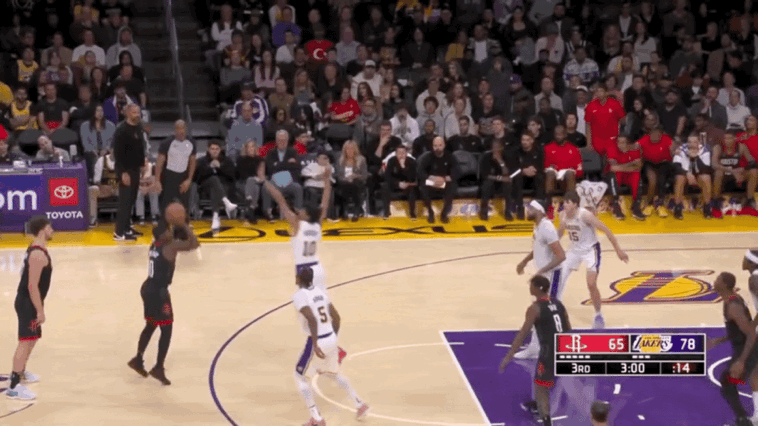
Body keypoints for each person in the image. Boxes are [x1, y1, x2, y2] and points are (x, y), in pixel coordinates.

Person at [127, 208, 200, 386]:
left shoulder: (155, 245)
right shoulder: (170, 246)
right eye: (168, 230)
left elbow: (173, 238)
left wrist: (175, 225)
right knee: (166, 329)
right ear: (163, 235)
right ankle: (158, 367)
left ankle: (138, 359)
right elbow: (194, 243)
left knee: (151, 324)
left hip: (147, 288)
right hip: (159, 292)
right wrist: (183, 224)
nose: (170, 231)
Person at [291, 266, 369, 425]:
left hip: (316, 340)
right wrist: (332, 341)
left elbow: (311, 319)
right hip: (331, 337)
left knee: (299, 376)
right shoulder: (320, 293)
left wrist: (315, 344)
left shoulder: (299, 295)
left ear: (299, 279)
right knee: (333, 373)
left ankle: (316, 418)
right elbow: (337, 318)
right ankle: (359, 404)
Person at [499, 275, 570, 426]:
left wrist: (508, 356)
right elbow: (568, 327)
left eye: (531, 285)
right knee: (545, 381)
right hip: (565, 348)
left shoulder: (535, 309)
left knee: (541, 387)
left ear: (538, 288)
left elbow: (522, 334)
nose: (529, 287)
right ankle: (539, 404)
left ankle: (546, 421)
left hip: (549, 352)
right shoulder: (558, 303)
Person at [558, 190, 629, 329]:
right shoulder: (562, 215)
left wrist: (618, 250)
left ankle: (598, 315)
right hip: (574, 250)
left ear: (575, 204)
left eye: (568, 202)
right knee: (559, 278)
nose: (564, 205)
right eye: (564, 202)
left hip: (590, 250)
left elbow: (606, 230)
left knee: (591, 284)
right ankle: (556, 310)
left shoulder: (585, 215)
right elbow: (559, 234)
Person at [5, 216, 54, 401]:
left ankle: (21, 371)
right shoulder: (37, 255)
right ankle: (14, 386)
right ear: (42, 230)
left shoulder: (38, 248)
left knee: (32, 338)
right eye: (49, 227)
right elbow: (32, 285)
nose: (52, 230)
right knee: (25, 341)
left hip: (30, 302)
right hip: (28, 303)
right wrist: (40, 310)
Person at [514, 200, 566, 359]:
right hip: (543, 275)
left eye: (530, 208)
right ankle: (538, 346)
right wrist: (524, 261)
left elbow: (561, 256)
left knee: (544, 311)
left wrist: (542, 271)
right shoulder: (537, 227)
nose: (527, 210)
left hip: (552, 275)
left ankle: (539, 348)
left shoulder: (547, 228)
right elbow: (537, 248)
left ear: (539, 211)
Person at [708, 272, 758, 426]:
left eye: (717, 279)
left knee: (729, 382)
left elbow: (750, 333)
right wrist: (721, 340)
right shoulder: (729, 300)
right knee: (738, 380)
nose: (714, 281)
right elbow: (739, 330)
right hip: (744, 348)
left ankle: (744, 420)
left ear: (724, 285)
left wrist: (741, 361)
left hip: (747, 350)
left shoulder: (733, 306)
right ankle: (746, 419)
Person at [154, 120, 196, 229]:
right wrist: (157, 181)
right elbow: (159, 162)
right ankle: (164, 226)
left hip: (183, 177)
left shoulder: (191, 142)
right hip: (168, 177)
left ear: (186, 129)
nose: (181, 131)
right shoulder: (166, 143)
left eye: (183, 128)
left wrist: (189, 179)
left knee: (185, 202)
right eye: (178, 129)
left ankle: (185, 224)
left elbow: (192, 162)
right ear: (175, 130)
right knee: (165, 203)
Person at [113, 103, 146, 241]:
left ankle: (127, 227)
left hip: (135, 168)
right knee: (125, 201)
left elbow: (140, 147)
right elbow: (118, 152)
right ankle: (119, 232)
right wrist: (122, 172)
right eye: (134, 112)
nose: (137, 115)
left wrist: (142, 164)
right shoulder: (121, 129)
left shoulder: (138, 127)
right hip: (125, 169)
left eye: (138, 112)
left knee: (132, 199)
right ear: (127, 113)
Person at [195, 140, 238, 231]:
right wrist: (211, 168)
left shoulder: (227, 161)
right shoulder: (201, 161)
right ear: (208, 150)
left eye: (217, 149)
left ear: (220, 150)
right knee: (214, 179)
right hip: (205, 187)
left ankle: (215, 216)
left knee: (215, 189)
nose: (214, 151)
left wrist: (220, 167)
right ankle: (226, 202)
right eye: (212, 149)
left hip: (223, 188)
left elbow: (232, 176)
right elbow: (198, 178)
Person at [713, 130, 757, 214]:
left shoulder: (741, 147)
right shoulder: (718, 147)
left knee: (753, 171)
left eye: (729, 138)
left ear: (735, 139)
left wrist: (743, 169)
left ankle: (750, 199)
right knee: (718, 172)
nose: (727, 141)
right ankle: (716, 199)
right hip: (724, 174)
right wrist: (732, 171)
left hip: (737, 175)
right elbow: (714, 164)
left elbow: (752, 162)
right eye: (725, 138)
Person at [418, 136, 458, 224]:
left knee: (453, 185)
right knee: (423, 184)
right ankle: (430, 212)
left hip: (444, 182)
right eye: (435, 146)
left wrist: (445, 178)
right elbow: (420, 171)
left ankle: (444, 213)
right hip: (432, 182)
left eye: (440, 145)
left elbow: (457, 171)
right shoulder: (428, 157)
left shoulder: (450, 156)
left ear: (444, 145)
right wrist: (431, 178)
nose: (437, 148)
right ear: (432, 146)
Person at [606, 134, 646, 221]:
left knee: (637, 176)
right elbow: (613, 168)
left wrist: (621, 167)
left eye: (623, 142)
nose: (621, 145)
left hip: (628, 174)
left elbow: (638, 167)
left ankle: (636, 206)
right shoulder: (612, 148)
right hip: (617, 174)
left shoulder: (635, 149)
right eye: (619, 142)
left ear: (628, 144)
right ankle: (615, 206)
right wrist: (631, 164)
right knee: (614, 176)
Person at [672, 134, 712, 219]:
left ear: (699, 143)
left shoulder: (705, 150)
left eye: (694, 142)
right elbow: (676, 166)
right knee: (680, 177)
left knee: (706, 177)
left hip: (698, 176)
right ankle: (677, 207)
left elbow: (706, 169)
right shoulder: (681, 149)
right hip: (685, 175)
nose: (692, 144)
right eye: (689, 142)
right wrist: (687, 174)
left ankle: (707, 206)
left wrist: (696, 157)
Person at [585, 83, 625, 157]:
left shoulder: (615, 104)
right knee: (597, 162)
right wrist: (588, 142)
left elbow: (623, 120)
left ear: (606, 92)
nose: (599, 93)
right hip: (596, 140)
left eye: (601, 91)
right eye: (597, 91)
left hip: (612, 140)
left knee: (612, 160)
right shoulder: (590, 106)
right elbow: (588, 125)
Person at [479, 138, 513, 221]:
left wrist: (500, 161)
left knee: (508, 184)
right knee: (487, 183)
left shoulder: (506, 157)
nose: (495, 149)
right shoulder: (486, 157)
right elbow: (485, 175)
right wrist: (500, 178)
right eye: (493, 147)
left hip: (501, 184)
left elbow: (507, 174)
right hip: (490, 182)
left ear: (502, 148)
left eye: (497, 147)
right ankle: (484, 212)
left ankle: (508, 212)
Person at [382, 144, 418, 219]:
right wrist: (398, 183)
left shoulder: (412, 162)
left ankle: (412, 213)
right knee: (385, 186)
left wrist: (403, 167)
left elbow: (413, 178)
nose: (401, 155)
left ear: (406, 153)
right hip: (395, 185)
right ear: (396, 154)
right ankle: (386, 212)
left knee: (412, 190)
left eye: (403, 153)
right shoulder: (391, 161)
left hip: (408, 184)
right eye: (399, 153)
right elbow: (388, 177)